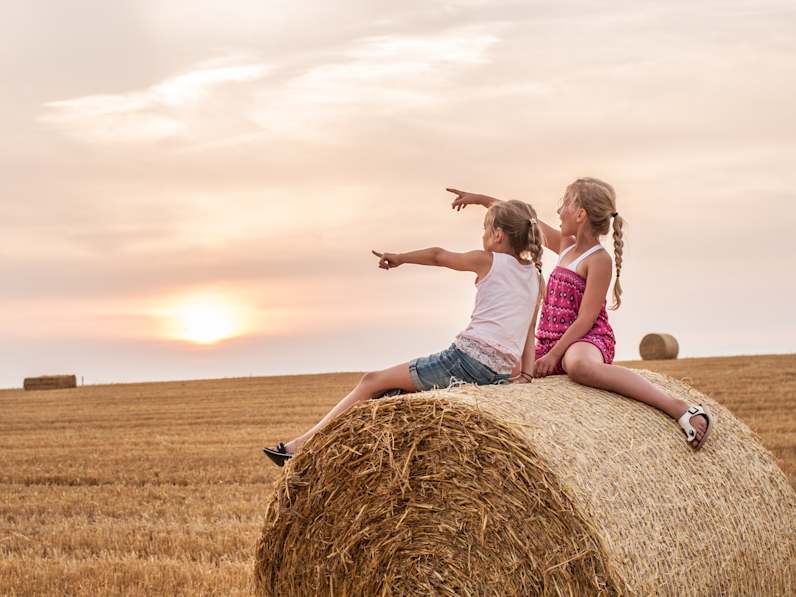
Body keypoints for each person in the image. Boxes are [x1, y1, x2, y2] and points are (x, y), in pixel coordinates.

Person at [263, 199, 545, 466]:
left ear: (497, 235)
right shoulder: (536, 276)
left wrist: (400, 257)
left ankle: (300, 448)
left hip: (465, 361)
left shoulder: (488, 260)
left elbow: (437, 255)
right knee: (395, 394)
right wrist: (525, 377)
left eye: (484, 228)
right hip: (500, 373)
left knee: (372, 380)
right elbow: (529, 331)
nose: (482, 234)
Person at [448, 178, 715, 450]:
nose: (558, 210)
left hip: (586, 339)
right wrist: (481, 199)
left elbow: (586, 319)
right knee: (504, 365)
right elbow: (522, 219)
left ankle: (679, 408)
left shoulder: (599, 260)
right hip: (550, 340)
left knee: (579, 366)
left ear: (580, 214)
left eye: (565, 203)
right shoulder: (565, 245)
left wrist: (554, 355)